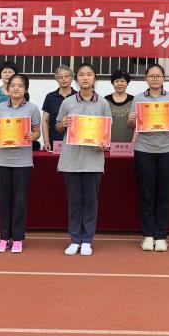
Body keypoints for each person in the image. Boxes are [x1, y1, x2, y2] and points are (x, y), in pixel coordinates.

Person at [127, 63, 169, 252]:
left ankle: (161, 236)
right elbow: (131, 125)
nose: (155, 79)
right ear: (146, 78)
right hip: (144, 150)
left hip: (168, 150)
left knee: (164, 195)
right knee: (147, 194)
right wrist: (132, 120)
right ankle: (148, 235)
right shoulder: (138, 99)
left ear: (163, 78)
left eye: (158, 76)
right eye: (151, 76)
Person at [54, 63, 111, 256]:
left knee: (90, 202)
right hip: (71, 160)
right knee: (74, 202)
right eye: (81, 75)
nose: (85, 78)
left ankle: (87, 240)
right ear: (76, 79)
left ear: (95, 78)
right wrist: (63, 123)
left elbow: (106, 133)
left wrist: (104, 144)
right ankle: (74, 239)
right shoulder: (68, 102)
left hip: (93, 160)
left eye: (89, 74)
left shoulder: (103, 103)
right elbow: (58, 127)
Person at [0, 74, 41, 254]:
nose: (16, 88)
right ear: (7, 89)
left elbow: (37, 132)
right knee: (3, 200)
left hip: (22, 162)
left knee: (20, 200)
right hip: (1, 160)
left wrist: (33, 136)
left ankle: (17, 238)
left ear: (26, 89)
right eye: (13, 85)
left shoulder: (32, 108)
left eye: (20, 85)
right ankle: (3, 237)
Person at [41, 65, 76, 152]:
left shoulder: (77, 96)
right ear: (57, 79)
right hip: (54, 141)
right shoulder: (50, 97)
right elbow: (45, 121)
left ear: (72, 78)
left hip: (75, 142)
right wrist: (46, 141)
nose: (63, 79)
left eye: (66, 76)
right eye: (60, 77)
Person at [104, 69, 134, 143]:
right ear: (112, 83)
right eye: (117, 81)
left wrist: (133, 142)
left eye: (122, 81)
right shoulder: (106, 100)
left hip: (129, 144)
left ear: (127, 83)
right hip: (109, 143)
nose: (119, 84)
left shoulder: (133, 100)